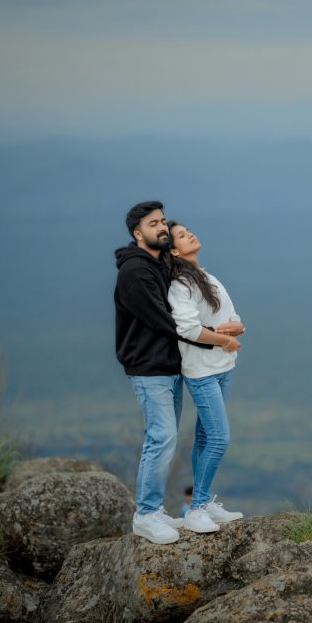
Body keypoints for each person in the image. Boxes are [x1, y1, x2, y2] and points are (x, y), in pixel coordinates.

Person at [114, 201, 221, 544]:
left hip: (168, 365)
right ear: (137, 233)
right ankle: (145, 514)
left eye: (162, 221)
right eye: (153, 223)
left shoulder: (159, 265)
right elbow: (165, 320)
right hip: (149, 369)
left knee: (165, 437)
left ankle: (155, 510)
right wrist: (212, 339)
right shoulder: (135, 272)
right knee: (161, 438)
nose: (161, 227)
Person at [166, 220, 246, 532]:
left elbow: (231, 314)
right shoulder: (179, 285)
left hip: (223, 368)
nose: (190, 234)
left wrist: (238, 327)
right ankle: (197, 507)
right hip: (201, 372)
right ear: (173, 250)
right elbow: (186, 328)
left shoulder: (207, 277)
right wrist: (225, 339)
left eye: (188, 231)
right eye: (182, 236)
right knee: (218, 438)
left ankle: (205, 503)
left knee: (204, 436)